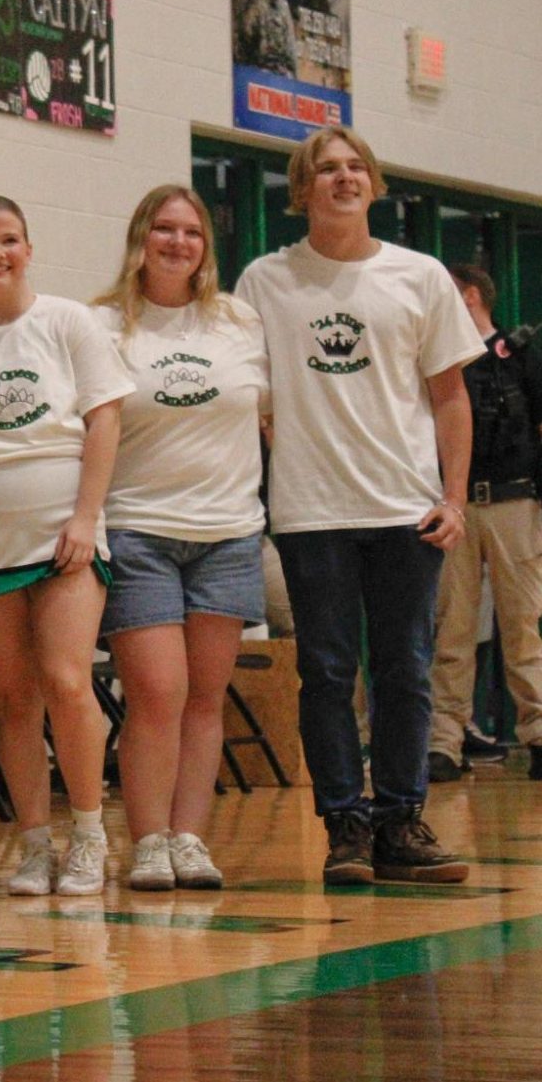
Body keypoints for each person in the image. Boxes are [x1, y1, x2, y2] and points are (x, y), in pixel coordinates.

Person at [236, 124, 482, 885]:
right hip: (312, 513)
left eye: (355, 168)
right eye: (326, 170)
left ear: (372, 184)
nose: (343, 178)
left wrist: (453, 496)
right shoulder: (264, 280)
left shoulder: (421, 275)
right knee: (327, 673)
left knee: (405, 669)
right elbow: (249, 398)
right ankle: (344, 826)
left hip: (406, 511)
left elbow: (450, 397)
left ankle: (401, 821)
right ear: (300, 191)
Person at [0, 196, 133, 896]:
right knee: (13, 697)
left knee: (69, 681)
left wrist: (85, 515)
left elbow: (105, 420)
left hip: (64, 531)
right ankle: (35, 842)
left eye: (10, 239)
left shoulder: (69, 321)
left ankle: (89, 834)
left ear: (29, 248)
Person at [91, 186, 270, 891]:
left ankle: (190, 837)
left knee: (204, 695)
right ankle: (148, 840)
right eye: (163, 229)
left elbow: (273, 416)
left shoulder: (238, 321)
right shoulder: (103, 323)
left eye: (190, 231)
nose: (177, 242)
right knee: (157, 693)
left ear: (207, 245)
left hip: (228, 532)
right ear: (140, 238)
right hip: (138, 528)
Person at [428, 264, 542, 782]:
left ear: (470, 295)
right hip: (456, 504)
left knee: (522, 624)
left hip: (515, 502)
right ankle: (445, 741)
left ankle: (538, 733)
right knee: (451, 626)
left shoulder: (520, 356)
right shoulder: (439, 360)